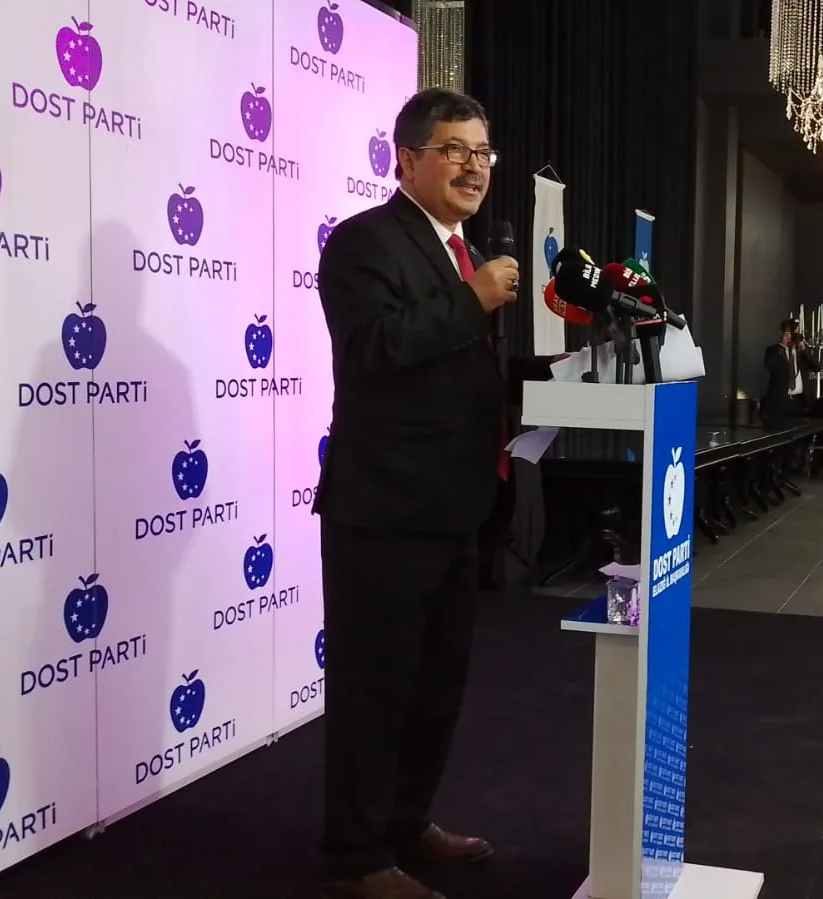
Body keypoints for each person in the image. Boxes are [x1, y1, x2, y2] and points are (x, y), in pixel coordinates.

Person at [313, 87, 518, 899]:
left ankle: (406, 821)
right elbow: (372, 348)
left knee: (435, 688)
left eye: (482, 152)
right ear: (406, 158)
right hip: (383, 510)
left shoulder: (465, 252)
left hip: (456, 506)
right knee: (374, 691)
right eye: (454, 150)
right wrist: (471, 301)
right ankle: (355, 856)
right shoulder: (364, 242)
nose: (474, 167)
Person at [761, 318, 814, 428]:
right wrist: (782, 347)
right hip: (780, 401)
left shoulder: (799, 352)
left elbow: (816, 367)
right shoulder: (773, 350)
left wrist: (804, 351)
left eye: (793, 334)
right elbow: (768, 364)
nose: (790, 337)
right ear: (781, 333)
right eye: (787, 334)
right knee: (780, 431)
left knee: (799, 432)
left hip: (799, 402)